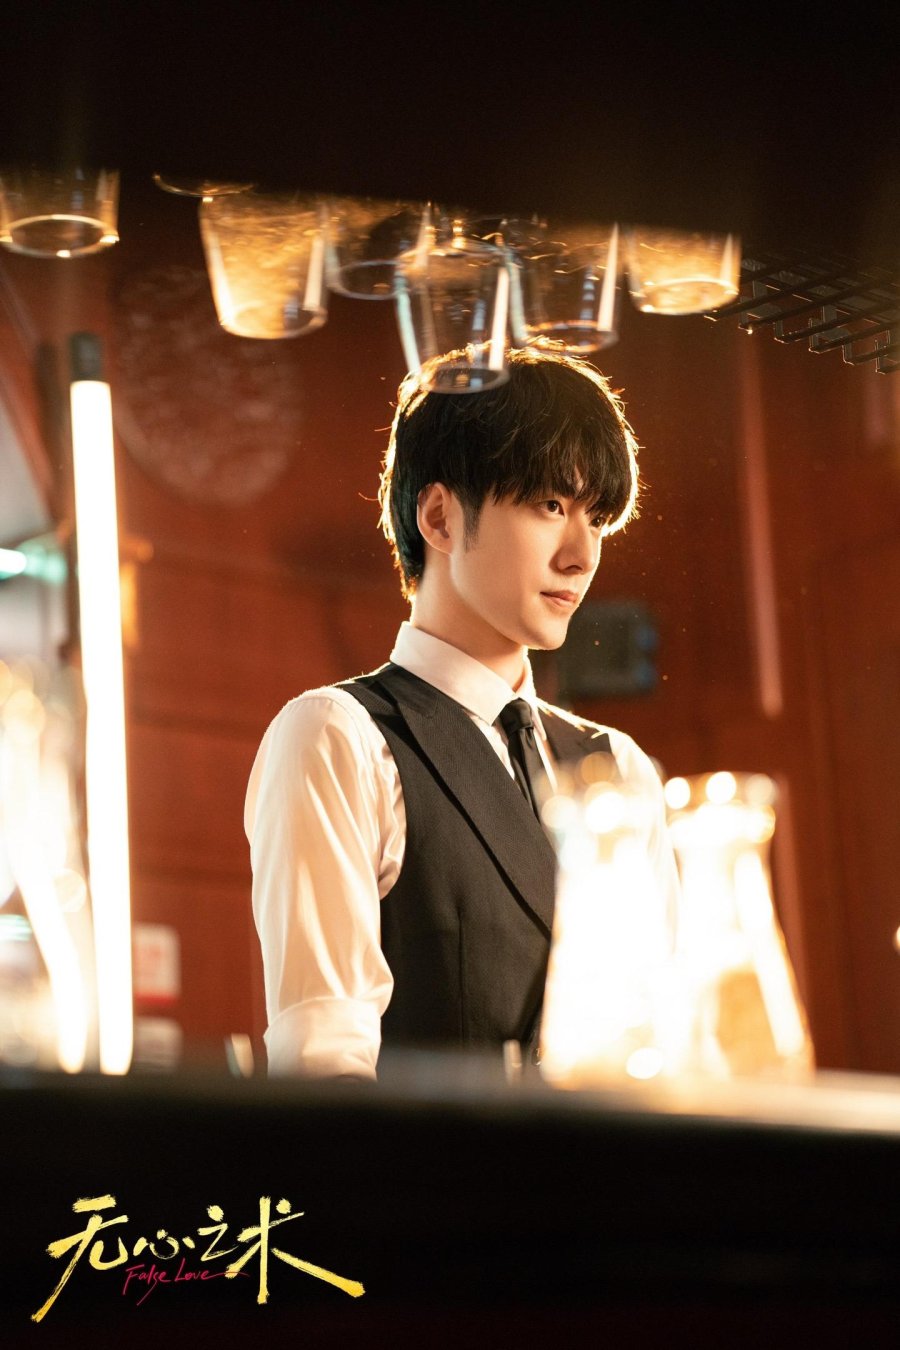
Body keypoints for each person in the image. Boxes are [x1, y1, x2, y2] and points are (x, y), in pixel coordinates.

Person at [245, 346, 680, 1078]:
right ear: (440, 517)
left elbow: (664, 1045)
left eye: (598, 518)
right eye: (551, 505)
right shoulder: (340, 736)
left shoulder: (618, 769)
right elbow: (323, 1067)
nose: (582, 555)